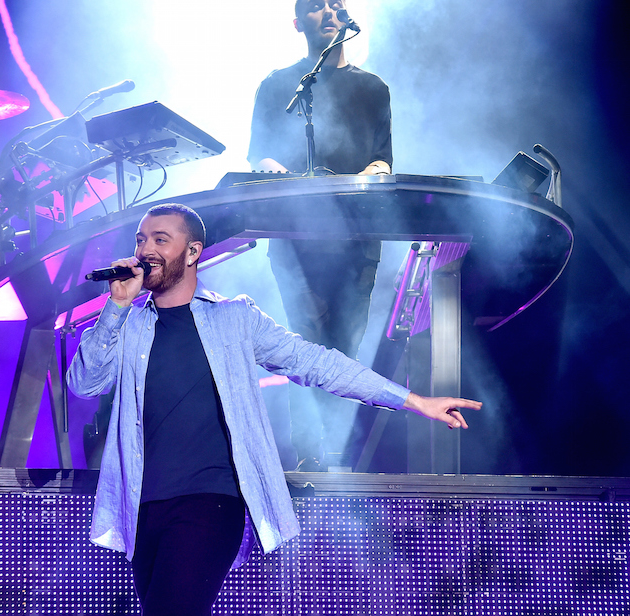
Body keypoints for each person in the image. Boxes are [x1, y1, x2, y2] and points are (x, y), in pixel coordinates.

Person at [67, 203, 481, 616]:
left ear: (192, 252)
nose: (145, 250)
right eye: (141, 239)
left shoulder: (234, 318)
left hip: (210, 501)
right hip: (141, 509)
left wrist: (413, 400)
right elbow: (84, 383)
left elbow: (318, 363)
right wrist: (117, 307)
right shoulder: (127, 324)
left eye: (161, 240)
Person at [248, 0, 392, 471]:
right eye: (315, 6)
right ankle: (310, 461)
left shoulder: (374, 89)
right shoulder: (276, 84)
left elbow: (384, 159)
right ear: (296, 22)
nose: (328, 11)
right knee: (302, 347)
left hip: (357, 239)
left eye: (337, 4)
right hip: (294, 238)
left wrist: (372, 173)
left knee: (347, 346)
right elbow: (261, 156)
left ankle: (343, 462)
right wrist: (279, 176)